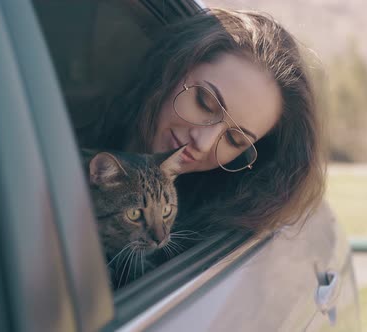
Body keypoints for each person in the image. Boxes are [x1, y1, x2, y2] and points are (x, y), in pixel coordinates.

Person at [77, 8, 325, 238]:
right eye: (204, 102)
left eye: (234, 139)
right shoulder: (62, 148)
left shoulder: (212, 224)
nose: (203, 144)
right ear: (171, 69)